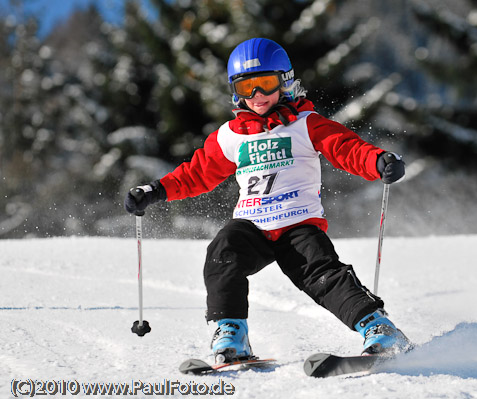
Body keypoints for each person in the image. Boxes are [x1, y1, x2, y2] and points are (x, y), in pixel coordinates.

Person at [124, 38, 412, 363]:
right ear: (235, 90)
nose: (257, 96)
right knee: (222, 252)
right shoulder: (231, 135)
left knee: (323, 274)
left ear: (285, 82)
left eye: (265, 84)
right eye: (247, 87)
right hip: (253, 226)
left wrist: (377, 161)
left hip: (298, 224)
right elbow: (196, 174)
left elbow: (345, 147)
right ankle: (232, 332)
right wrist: (155, 191)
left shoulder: (306, 123)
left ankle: (378, 327)